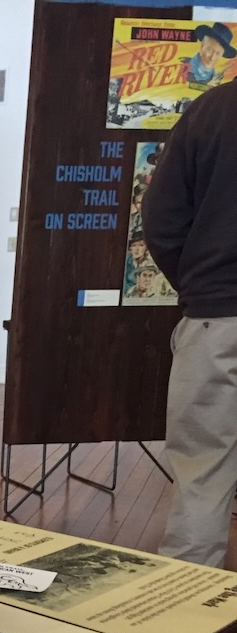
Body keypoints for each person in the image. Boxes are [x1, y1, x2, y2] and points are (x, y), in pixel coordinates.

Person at [142, 78, 237, 567]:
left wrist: (201, 286)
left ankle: (185, 630)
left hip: (217, 322)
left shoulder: (208, 111)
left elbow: (160, 218)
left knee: (201, 477)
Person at [181, 22, 236, 88]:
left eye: (217, 53)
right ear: (202, 46)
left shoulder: (215, 80)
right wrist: (206, 87)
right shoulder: (181, 65)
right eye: (210, 50)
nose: (212, 58)